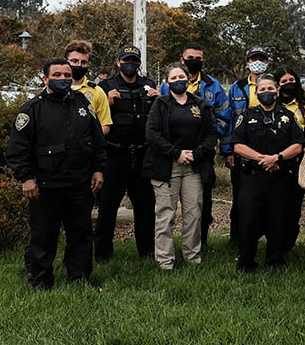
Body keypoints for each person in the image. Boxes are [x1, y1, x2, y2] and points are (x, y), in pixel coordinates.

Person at [7, 59, 106, 289]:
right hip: (45, 185)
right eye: (57, 75)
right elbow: (18, 150)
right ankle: (41, 281)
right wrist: (26, 178)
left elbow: (97, 141)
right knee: (44, 236)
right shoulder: (32, 109)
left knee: (81, 234)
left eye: (67, 75)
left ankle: (79, 278)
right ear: (45, 79)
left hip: (80, 183)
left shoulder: (82, 103)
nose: (63, 79)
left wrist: (99, 169)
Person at [144, 63, 218, 270]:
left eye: (181, 77)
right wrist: (176, 153)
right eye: (173, 78)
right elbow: (152, 134)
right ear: (167, 83)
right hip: (166, 166)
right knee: (166, 214)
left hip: (194, 166)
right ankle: (165, 261)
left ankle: (192, 257)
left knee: (193, 213)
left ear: (188, 79)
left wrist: (196, 153)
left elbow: (212, 133)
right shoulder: (160, 105)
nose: (178, 81)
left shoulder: (200, 104)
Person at [232, 74, 305, 271]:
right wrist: (262, 159)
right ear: (256, 93)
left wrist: (277, 158)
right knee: (248, 221)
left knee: (278, 219)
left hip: (280, 178)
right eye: (262, 89)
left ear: (277, 91)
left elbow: (298, 146)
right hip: (252, 177)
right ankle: (246, 262)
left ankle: (275, 260)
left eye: (270, 89)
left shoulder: (289, 117)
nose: (267, 92)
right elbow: (238, 146)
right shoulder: (246, 116)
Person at [159, 43, 230, 247]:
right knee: (168, 206)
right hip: (173, 155)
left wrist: (208, 142)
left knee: (201, 203)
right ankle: (166, 249)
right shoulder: (168, 84)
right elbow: (161, 118)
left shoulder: (213, 85)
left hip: (202, 154)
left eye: (198, 58)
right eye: (190, 58)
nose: (194, 61)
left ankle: (201, 243)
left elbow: (223, 118)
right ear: (182, 60)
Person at [94, 45, 159, 262]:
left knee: (145, 208)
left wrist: (158, 99)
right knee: (107, 208)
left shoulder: (149, 85)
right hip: (114, 155)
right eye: (126, 60)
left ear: (139, 63)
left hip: (142, 155)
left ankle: (147, 252)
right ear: (118, 62)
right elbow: (95, 120)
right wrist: (108, 102)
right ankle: (103, 255)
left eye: (134, 60)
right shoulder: (105, 87)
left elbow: (157, 118)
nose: (130, 64)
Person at [226, 46, 271, 244]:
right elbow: (228, 119)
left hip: (268, 147)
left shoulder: (271, 84)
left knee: (267, 197)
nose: (257, 62)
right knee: (240, 197)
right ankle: (237, 238)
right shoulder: (237, 87)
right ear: (247, 63)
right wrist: (227, 150)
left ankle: (268, 236)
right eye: (254, 59)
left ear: (267, 63)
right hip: (241, 148)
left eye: (261, 59)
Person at [275, 66, 305, 252]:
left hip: (296, 162)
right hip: (274, 161)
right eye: (284, 82)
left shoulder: (303, 107)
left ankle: (289, 244)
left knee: (293, 205)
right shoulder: (272, 105)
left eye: (291, 80)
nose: (288, 84)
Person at [64, 40, 113, 135]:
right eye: (74, 61)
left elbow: (105, 125)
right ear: (65, 61)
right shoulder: (54, 88)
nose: (79, 65)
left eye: (83, 62)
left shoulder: (97, 92)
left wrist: (88, 139)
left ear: (88, 64)